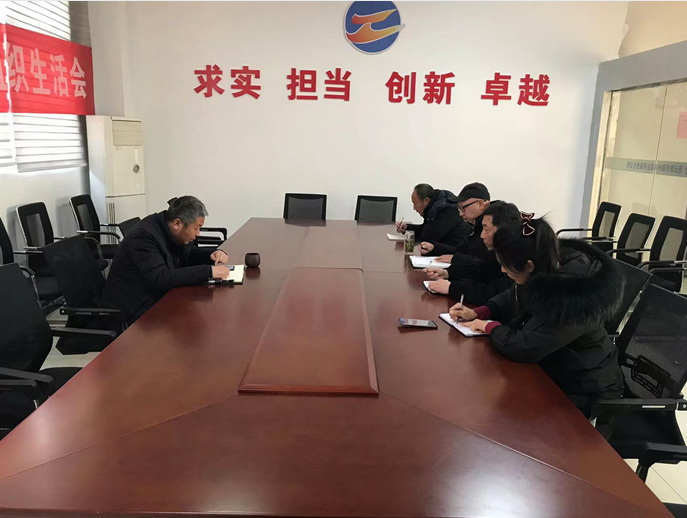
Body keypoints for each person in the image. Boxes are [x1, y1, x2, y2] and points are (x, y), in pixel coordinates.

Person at [448, 214, 625, 418]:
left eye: (505, 265)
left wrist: (488, 326)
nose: (503, 271)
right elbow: (512, 295)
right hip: (552, 369)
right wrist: (480, 312)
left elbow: (525, 347)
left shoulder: (572, 298)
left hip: (585, 390)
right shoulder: (544, 268)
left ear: (529, 266)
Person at [103, 196, 231, 324]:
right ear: (177, 224)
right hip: (133, 308)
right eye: (196, 228)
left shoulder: (169, 230)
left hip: (156, 298)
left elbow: (188, 254)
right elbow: (161, 278)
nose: (198, 234)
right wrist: (209, 271)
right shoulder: (144, 236)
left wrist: (213, 254)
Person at [425, 201, 519, 305]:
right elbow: (481, 270)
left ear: (502, 230)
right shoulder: (496, 251)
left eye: (486, 229)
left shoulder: (517, 257)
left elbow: (494, 292)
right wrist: (448, 273)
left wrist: (452, 288)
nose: (482, 235)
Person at [419, 182, 491, 271]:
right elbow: (459, 250)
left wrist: (456, 259)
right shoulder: (474, 226)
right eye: (459, 209)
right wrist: (434, 247)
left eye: (463, 208)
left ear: (480, 204)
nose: (460, 214)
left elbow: (485, 265)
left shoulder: (492, 229)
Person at [396, 184, 469, 249]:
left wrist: (410, 231)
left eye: (415, 204)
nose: (414, 208)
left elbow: (427, 237)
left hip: (457, 252)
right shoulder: (435, 204)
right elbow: (426, 228)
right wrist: (407, 227)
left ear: (426, 200)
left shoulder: (443, 210)